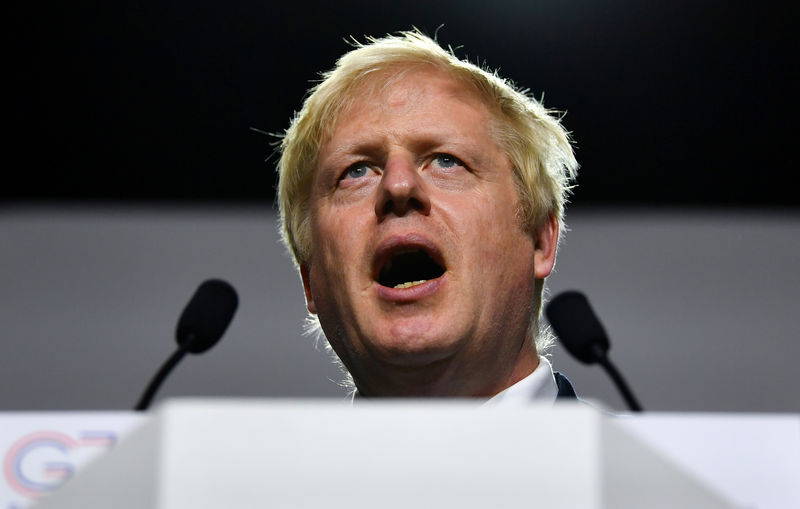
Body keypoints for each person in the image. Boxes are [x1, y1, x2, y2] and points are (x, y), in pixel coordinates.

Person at [276, 30, 579, 401]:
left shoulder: (656, 459)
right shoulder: (255, 462)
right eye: (356, 171)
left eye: (447, 161)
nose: (398, 186)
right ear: (310, 277)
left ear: (540, 239)